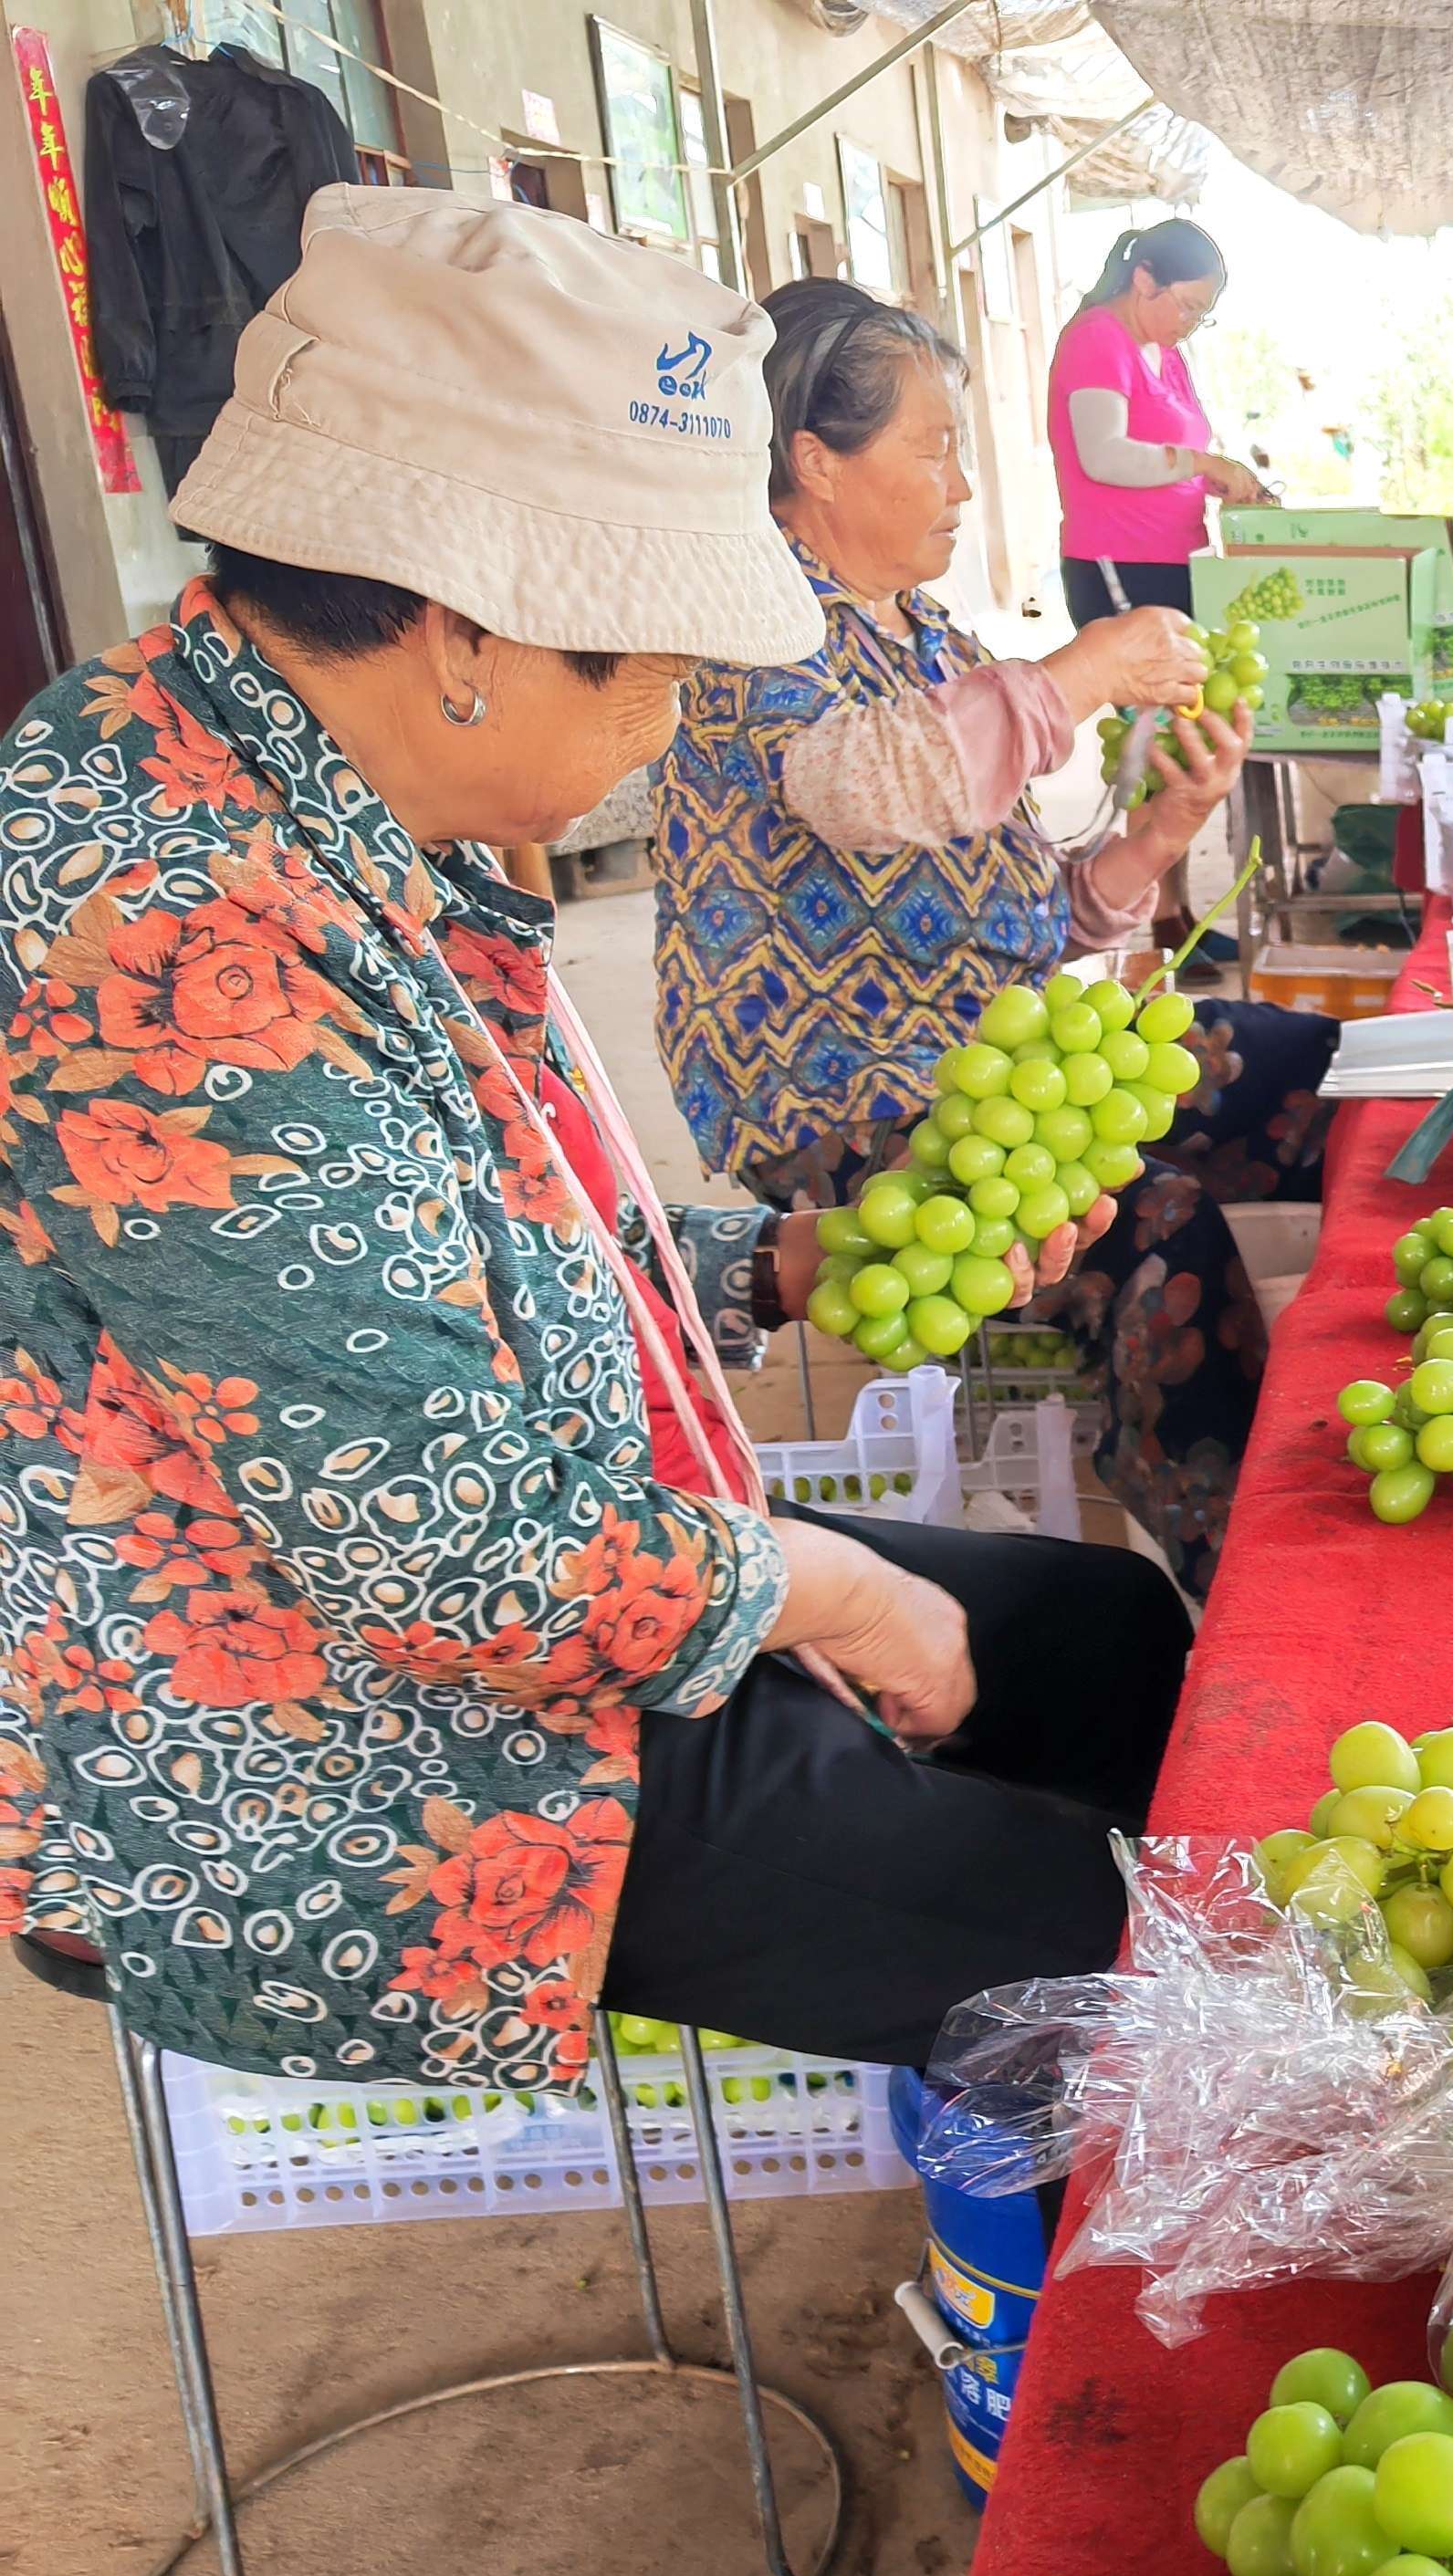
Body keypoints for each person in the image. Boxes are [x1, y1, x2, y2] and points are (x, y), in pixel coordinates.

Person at [0, 191, 1190, 2089]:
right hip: (343, 1754)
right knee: (1083, 1960)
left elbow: (461, 1243)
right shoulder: (171, 944)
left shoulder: (297, 779)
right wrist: (843, 1589)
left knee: (1109, 1637)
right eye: (640, 668)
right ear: (463, 629)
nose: (669, 720)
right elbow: (453, 1563)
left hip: (536, 1579)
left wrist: (780, 1267)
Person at [656, 279, 1329, 1595]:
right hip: (840, 1102)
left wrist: (1148, 841)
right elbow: (867, 786)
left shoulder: (923, 632)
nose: (964, 480)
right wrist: (1080, 672)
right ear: (815, 463)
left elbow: (1016, 915)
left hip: (993, 1064)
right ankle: (1245, 1576)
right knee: (1153, 1225)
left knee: (1298, 1068)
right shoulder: (748, 633)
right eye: (933, 444)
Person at [1050, 218, 1269, 625]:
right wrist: (1203, 464)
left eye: (1202, 315)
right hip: (1123, 561)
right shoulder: (1097, 338)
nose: (1190, 323)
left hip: (1179, 558)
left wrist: (1214, 480)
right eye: (1188, 306)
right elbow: (1104, 455)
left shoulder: (1166, 353)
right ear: (1144, 280)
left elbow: (1169, 456)